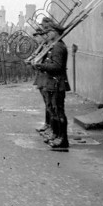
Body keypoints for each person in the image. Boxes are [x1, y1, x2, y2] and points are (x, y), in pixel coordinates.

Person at [32, 17, 70, 151]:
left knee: (58, 111)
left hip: (57, 82)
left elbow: (57, 67)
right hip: (52, 82)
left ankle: (62, 138)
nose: (46, 34)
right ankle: (57, 135)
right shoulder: (54, 45)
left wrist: (41, 66)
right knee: (53, 109)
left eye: (49, 31)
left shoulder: (59, 47)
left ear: (55, 32)